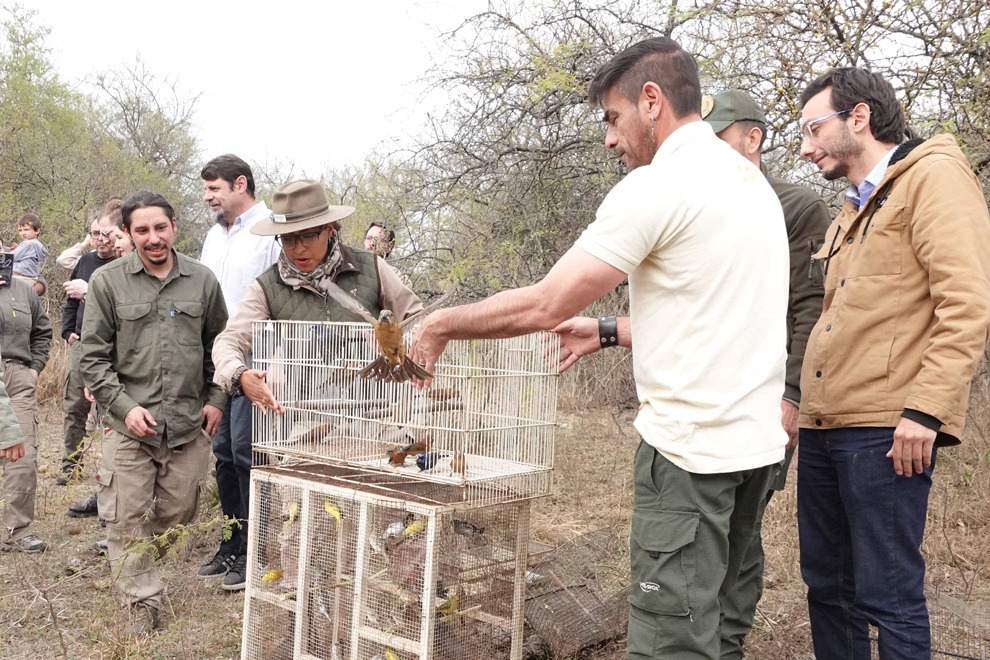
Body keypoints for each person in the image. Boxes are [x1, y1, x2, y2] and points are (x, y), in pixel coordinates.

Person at [410, 37, 789, 659]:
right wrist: (608, 328)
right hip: (754, 454)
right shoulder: (751, 185)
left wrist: (443, 323)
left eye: (612, 119)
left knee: (670, 642)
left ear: (651, 100)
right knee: (719, 630)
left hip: (691, 460)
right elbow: (720, 311)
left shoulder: (658, 186)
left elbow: (545, 303)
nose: (611, 140)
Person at [795, 67, 990, 660]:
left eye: (812, 129)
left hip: (886, 430)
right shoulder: (854, 208)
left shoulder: (933, 177)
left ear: (859, 117)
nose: (805, 148)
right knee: (828, 588)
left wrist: (925, 411)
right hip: (827, 426)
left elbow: (967, 302)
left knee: (889, 594)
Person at [701, 89, 830, 657]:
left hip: (764, 399)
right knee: (696, 532)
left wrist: (793, 395)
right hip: (707, 399)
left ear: (751, 139)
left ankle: (727, 645)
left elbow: (811, 308)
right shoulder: (699, 204)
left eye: (717, 139)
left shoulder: (797, 206)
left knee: (740, 531)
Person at [80, 190, 228, 636]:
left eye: (160, 227)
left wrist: (216, 399)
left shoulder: (202, 281)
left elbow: (221, 348)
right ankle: (142, 601)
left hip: (187, 425)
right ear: (127, 233)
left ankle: (131, 559)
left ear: (174, 227)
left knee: (180, 514)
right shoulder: (107, 282)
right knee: (126, 514)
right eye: (141, 230)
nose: (153, 238)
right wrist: (124, 409)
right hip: (128, 426)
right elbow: (93, 358)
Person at [212, 178, 422, 413]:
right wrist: (240, 374)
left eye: (308, 236)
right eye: (288, 238)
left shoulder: (372, 266)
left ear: (330, 227)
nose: (298, 248)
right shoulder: (268, 285)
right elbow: (228, 341)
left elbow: (418, 321)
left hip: (380, 413)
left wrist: (395, 343)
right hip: (308, 417)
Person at [196, 154, 279, 590]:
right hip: (219, 361)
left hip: (260, 363)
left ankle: (258, 553)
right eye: (206, 189)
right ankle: (232, 543)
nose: (208, 196)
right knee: (225, 455)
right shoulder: (213, 236)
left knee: (249, 455)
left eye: (214, 189)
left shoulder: (270, 230)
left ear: (240, 183)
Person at [56, 199, 122, 485]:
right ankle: (71, 465)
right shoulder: (85, 261)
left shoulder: (123, 262)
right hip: (81, 341)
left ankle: (112, 471)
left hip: (113, 343)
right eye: (95, 234)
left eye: (105, 234)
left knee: (109, 409)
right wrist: (68, 331)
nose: (100, 239)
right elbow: (70, 300)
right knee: (74, 406)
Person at [0, 273, 52, 554]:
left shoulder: (23, 290)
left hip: (17, 377)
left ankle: (17, 531)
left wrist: (34, 369)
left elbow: (42, 331)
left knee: (22, 456)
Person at [11, 213, 48, 296]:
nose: (23, 233)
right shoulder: (37, 245)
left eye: (26, 229)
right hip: (31, 279)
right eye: (20, 230)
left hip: (22, 279)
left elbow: (13, 257)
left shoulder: (28, 244)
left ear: (37, 231)